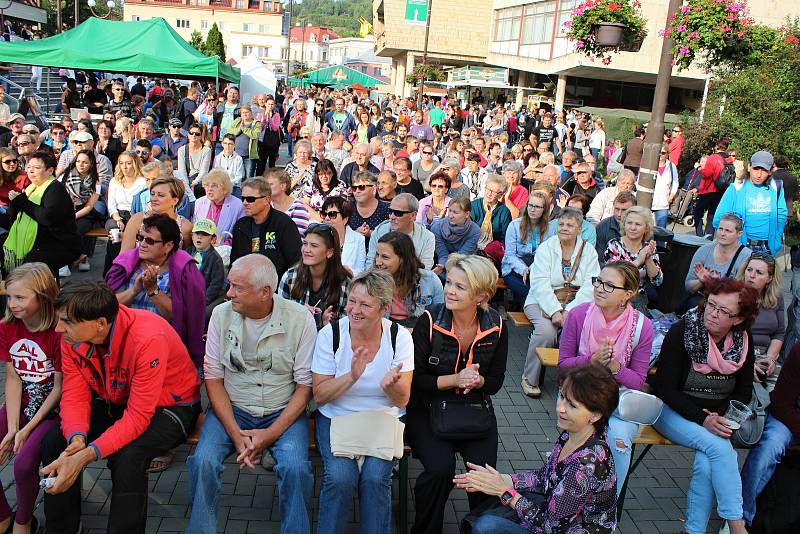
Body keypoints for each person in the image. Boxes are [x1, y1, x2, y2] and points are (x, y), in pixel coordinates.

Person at [40, 281, 201, 534]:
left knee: (128, 457)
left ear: (100, 324)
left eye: (66, 321)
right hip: (118, 399)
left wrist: (89, 453)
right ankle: (61, 529)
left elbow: (138, 417)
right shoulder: (72, 337)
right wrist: (77, 438)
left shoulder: (147, 337)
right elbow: (74, 396)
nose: (58, 328)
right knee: (56, 441)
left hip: (173, 406)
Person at [187, 254, 314, 533]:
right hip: (233, 409)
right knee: (203, 462)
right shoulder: (221, 315)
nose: (229, 293)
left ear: (265, 292)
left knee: (296, 469)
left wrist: (269, 435)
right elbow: (213, 377)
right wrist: (235, 432)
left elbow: (304, 386)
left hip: (283, 411)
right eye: (230, 285)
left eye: (237, 287)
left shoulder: (300, 319)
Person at [407, 254, 508, 534]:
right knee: (440, 470)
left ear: (481, 295)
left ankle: (482, 528)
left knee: (484, 475)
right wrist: (455, 378)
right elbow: (414, 382)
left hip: (472, 408)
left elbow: (496, 382)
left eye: (460, 287)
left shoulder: (497, 326)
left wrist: (478, 382)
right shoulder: (429, 320)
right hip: (426, 407)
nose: (449, 290)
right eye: (449, 282)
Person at [454, 364, 618, 534]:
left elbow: (551, 527)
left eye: (572, 405)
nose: (559, 408)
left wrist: (504, 492)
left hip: (560, 527)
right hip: (553, 515)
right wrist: (502, 479)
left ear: (596, 415)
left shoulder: (586, 465)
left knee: (486, 527)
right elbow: (545, 476)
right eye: (561, 396)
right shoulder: (572, 433)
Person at [650, 278, 758, 534]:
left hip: (714, 419)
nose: (713, 314)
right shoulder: (683, 332)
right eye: (711, 305)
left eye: (724, 311)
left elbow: (743, 391)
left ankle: (693, 531)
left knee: (709, 459)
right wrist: (703, 418)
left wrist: (722, 417)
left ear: (739, 319)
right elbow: (664, 388)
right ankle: (736, 525)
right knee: (720, 448)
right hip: (671, 411)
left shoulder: (743, 342)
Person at [311, 269, 413, 534]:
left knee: (375, 478)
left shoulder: (398, 337)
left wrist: (390, 387)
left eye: (365, 304)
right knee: (341, 478)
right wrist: (352, 376)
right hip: (337, 416)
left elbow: (403, 399)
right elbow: (319, 395)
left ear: (384, 309)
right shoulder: (331, 335)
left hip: (383, 418)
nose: (354, 310)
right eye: (352, 301)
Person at [558, 261, 653, 495]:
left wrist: (614, 367)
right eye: (598, 281)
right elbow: (562, 367)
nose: (599, 288)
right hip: (582, 394)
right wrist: (591, 361)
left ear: (627, 294)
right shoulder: (578, 315)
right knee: (581, 435)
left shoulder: (642, 327)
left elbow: (639, 382)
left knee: (619, 442)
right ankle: (564, 499)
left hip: (620, 401)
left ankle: (606, 510)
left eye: (609, 285)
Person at [0, 263, 63, 534]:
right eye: (9, 297)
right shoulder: (7, 328)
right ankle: (4, 517)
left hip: (52, 411)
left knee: (24, 464)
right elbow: (13, 377)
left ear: (44, 296)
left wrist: (26, 429)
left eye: (20, 297)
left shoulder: (59, 331)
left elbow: (59, 387)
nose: (12, 304)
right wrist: (14, 427)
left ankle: (23, 522)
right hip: (22, 405)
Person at [106, 212, 206, 367]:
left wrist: (153, 291)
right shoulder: (126, 265)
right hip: (124, 343)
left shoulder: (185, 272)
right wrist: (134, 290)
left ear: (168, 246)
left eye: (150, 241)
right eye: (140, 238)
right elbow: (107, 307)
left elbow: (180, 318)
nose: (142, 244)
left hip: (161, 348)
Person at [522, 207, 601, 398]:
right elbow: (539, 283)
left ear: (579, 229)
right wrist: (555, 310)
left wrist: (570, 312)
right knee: (546, 332)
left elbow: (591, 286)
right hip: (541, 301)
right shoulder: (546, 248)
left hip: (576, 303)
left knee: (581, 332)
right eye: (562, 224)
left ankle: (573, 383)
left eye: (570, 225)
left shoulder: (589, 251)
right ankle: (530, 378)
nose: (564, 228)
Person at [740, 342, 800, 527]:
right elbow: (781, 404)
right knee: (768, 447)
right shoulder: (799, 350)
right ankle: (739, 517)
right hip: (791, 415)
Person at [3, 151, 81, 277]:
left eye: (37, 168)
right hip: (39, 241)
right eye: (29, 167)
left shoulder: (55, 188)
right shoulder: (32, 188)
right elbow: (11, 217)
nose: (31, 171)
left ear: (50, 171)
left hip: (59, 243)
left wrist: (22, 201)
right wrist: (15, 203)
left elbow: (46, 218)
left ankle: (41, 294)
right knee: (5, 253)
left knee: (28, 268)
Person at [277, 222, 352, 330]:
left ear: (329, 252)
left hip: (327, 344)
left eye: (314, 246)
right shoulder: (290, 277)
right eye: (305, 243)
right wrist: (298, 313)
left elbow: (346, 329)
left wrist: (327, 326)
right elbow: (278, 318)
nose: (306, 250)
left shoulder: (344, 284)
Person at [713, 150, 787, 256]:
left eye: (764, 170)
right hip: (738, 247)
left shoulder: (776, 188)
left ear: (770, 171)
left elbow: (781, 214)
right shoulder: (735, 189)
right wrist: (728, 242)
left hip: (767, 247)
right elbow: (718, 219)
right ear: (749, 167)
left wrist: (777, 240)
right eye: (756, 169)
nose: (759, 174)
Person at [229, 177, 302, 280]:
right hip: (246, 286)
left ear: (266, 200)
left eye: (250, 199)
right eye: (243, 198)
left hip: (275, 287)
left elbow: (295, 262)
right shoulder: (241, 226)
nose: (245, 203)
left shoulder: (284, 224)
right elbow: (235, 262)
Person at [372, 231, 443, 328]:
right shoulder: (371, 282)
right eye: (377, 255)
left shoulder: (430, 280)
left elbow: (440, 318)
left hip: (419, 334)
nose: (378, 262)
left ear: (403, 259)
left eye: (385, 257)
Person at [684, 212, 752, 309]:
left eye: (728, 231)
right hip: (702, 302)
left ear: (739, 234)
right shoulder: (704, 250)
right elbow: (688, 287)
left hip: (728, 306)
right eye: (720, 229)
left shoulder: (746, 257)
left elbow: (744, 294)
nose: (722, 234)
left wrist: (717, 284)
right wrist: (702, 281)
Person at [501, 190, 555, 309]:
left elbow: (547, 255)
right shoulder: (514, 225)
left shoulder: (550, 229)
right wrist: (523, 269)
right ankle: (528, 310)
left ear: (544, 209)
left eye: (537, 207)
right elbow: (510, 255)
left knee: (540, 287)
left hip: (537, 267)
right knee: (530, 291)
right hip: (513, 268)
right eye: (530, 205)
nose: (532, 209)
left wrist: (532, 268)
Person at [602, 206, 662, 311]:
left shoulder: (648, 247)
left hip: (638, 297)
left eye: (638, 224)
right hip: (614, 295)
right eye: (629, 223)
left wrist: (647, 257)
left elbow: (657, 281)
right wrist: (639, 260)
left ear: (646, 228)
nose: (632, 228)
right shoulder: (614, 245)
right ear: (624, 225)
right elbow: (613, 277)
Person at [735, 253, 784, 379]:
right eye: (749, 270)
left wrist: (770, 358)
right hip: (736, 353)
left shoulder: (776, 297)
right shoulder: (733, 295)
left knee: (783, 388)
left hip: (765, 354)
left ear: (769, 278)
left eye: (759, 272)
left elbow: (779, 333)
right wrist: (747, 364)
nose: (751, 275)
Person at [367, 193, 436, 270]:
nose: (392, 217)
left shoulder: (427, 238)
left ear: (413, 215)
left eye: (398, 213)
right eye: (390, 211)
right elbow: (370, 264)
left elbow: (424, 270)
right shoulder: (379, 231)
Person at [62, 149, 105, 273]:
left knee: (77, 228)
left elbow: (89, 206)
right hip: (66, 210)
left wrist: (73, 216)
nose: (81, 164)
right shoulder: (66, 176)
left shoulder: (96, 182)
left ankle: (75, 258)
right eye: (78, 161)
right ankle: (72, 258)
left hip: (85, 213)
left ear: (91, 164)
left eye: (85, 162)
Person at [430, 196, 481, 278]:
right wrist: (442, 265)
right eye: (450, 211)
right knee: (440, 276)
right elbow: (442, 253)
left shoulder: (475, 231)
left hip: (463, 262)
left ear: (467, 214)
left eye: (455, 212)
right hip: (442, 261)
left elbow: (463, 255)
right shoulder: (437, 227)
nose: (451, 216)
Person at [192, 168, 244, 246]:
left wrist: (222, 245)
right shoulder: (199, 202)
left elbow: (240, 236)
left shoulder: (237, 205)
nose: (209, 189)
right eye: (207, 185)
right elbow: (194, 230)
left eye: (214, 186)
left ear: (225, 189)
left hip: (225, 251)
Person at [470, 174, 513, 265]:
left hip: (492, 252)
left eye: (494, 192)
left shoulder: (504, 212)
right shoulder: (473, 206)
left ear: (501, 195)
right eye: (488, 189)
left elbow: (505, 238)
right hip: (472, 246)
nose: (489, 194)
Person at [695, 138, 734, 237]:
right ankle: (709, 236)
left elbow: (707, 174)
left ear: (717, 146)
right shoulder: (729, 159)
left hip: (709, 190)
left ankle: (699, 236)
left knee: (698, 213)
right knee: (712, 215)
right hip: (721, 191)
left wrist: (699, 168)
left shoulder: (713, 157)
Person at [188, 218, 226, 319]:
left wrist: (203, 301)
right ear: (192, 236)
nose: (199, 237)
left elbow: (216, 284)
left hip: (202, 297)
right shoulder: (189, 252)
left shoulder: (215, 259)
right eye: (196, 233)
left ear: (213, 239)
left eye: (204, 234)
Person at [320, 196, 366, 276]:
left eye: (332, 214)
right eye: (324, 214)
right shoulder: (317, 238)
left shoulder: (359, 239)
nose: (327, 218)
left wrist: (348, 272)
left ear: (345, 219)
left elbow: (361, 272)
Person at [264, 166, 311, 238]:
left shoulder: (298, 207)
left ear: (283, 186)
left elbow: (298, 237)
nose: (266, 188)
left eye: (270, 184)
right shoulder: (264, 205)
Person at [348, 171, 390, 242]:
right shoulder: (348, 208)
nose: (357, 191)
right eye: (354, 188)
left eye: (361, 187)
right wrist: (354, 233)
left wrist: (371, 234)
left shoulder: (387, 209)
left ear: (373, 189)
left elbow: (391, 236)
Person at [227, 104, 261, 178]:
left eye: (247, 112)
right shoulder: (237, 121)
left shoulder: (256, 123)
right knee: (236, 176)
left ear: (251, 113)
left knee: (249, 177)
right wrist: (240, 129)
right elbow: (230, 132)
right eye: (243, 112)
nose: (245, 114)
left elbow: (255, 135)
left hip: (248, 156)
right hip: (236, 154)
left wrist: (244, 129)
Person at [180, 123, 213, 197]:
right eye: (191, 133)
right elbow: (182, 171)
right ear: (188, 135)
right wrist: (187, 185)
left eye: (197, 134)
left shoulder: (206, 150)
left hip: (200, 181)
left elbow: (204, 172)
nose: (194, 135)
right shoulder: (182, 150)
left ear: (201, 136)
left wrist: (194, 183)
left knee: (200, 187)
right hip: (187, 179)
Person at [651, 144, 680, 228]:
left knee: (661, 231)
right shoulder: (651, 164)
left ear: (667, 154)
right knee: (647, 231)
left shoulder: (671, 166)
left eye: (663, 153)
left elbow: (675, 182)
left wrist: (671, 196)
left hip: (663, 203)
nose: (660, 155)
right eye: (658, 153)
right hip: (650, 201)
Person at [0, 146, 29, 212]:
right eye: (8, 161)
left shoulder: (24, 176)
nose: (12, 164)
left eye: (14, 161)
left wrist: (20, 198)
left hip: (18, 208)